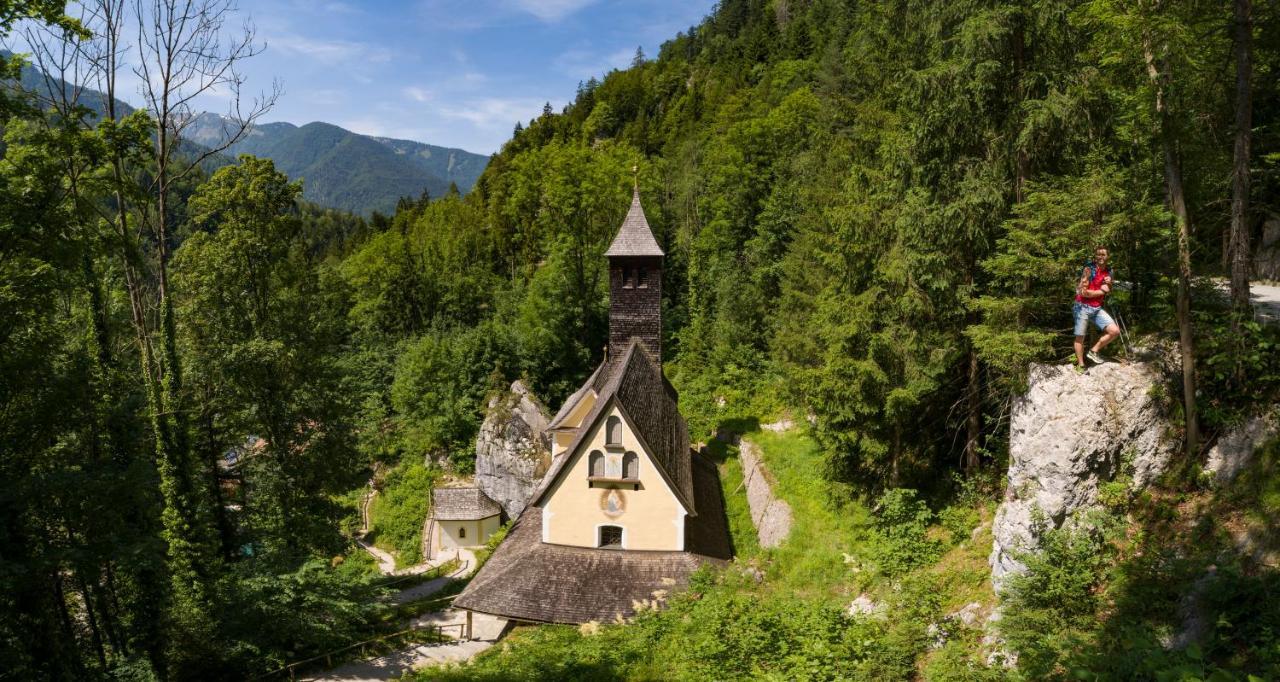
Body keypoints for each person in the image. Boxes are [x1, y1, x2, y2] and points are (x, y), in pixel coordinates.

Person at [1073, 246, 1120, 372]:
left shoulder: (1109, 270)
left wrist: (1109, 283)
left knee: (1114, 331)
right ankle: (1081, 365)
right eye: (1098, 254)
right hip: (1082, 306)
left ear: (1108, 256)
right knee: (1080, 337)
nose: (1100, 257)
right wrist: (1100, 292)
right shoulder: (1089, 269)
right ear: (1095, 256)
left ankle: (1094, 351)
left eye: (1103, 255)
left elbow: (1108, 289)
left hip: (1096, 308)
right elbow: (1082, 292)